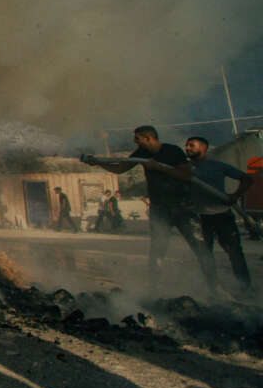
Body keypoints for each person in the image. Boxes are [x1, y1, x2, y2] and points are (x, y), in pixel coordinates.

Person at [84, 126, 214, 294]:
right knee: (157, 251)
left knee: (200, 248)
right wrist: (99, 163)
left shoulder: (171, 151)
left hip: (182, 207)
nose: (135, 142)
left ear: (148, 138)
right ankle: (153, 289)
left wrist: (159, 167)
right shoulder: (142, 153)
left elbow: (186, 175)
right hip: (160, 208)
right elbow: (121, 168)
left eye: (137, 139)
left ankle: (214, 288)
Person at [185, 136, 254, 297]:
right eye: (187, 145)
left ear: (203, 148)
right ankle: (213, 289)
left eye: (191, 145)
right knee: (204, 256)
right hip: (200, 219)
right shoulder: (185, 169)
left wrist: (235, 195)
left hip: (223, 216)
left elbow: (247, 178)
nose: (187, 148)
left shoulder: (216, 166)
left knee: (235, 253)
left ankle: (245, 288)